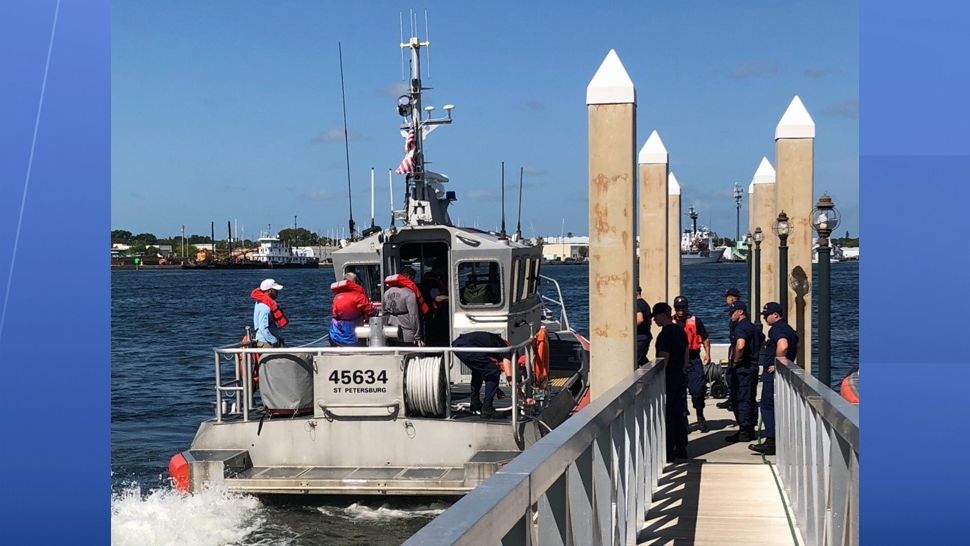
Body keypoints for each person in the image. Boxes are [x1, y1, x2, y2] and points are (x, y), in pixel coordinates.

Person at [749, 302, 798, 455]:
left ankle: (771, 441)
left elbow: (783, 346)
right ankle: (777, 439)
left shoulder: (777, 329)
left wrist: (778, 363)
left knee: (767, 405)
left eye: (766, 315)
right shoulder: (788, 329)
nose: (764, 319)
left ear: (775, 315)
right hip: (781, 375)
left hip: (774, 376)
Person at [652, 302, 690, 460]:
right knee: (679, 413)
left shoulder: (665, 334)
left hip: (668, 378)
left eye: (655, 317)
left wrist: (657, 378)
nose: (654, 320)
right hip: (680, 375)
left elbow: (663, 358)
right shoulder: (680, 330)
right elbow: (686, 352)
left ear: (662, 315)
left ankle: (668, 450)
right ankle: (682, 448)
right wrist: (683, 368)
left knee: (667, 415)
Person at [672, 296, 711, 432]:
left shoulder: (696, 321)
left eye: (683, 308)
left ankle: (700, 414)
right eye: (678, 308)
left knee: (698, 389)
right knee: (680, 393)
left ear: (687, 308)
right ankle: (684, 420)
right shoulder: (670, 323)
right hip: (677, 361)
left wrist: (708, 353)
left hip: (694, 359)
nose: (680, 311)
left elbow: (705, 338)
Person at [452, 331, 513, 419]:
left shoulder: (493, 343)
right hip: (467, 346)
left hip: (458, 345)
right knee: (494, 371)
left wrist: (496, 389)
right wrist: (522, 395)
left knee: (478, 371)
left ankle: (475, 403)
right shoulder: (506, 349)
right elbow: (508, 373)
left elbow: (485, 371)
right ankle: (487, 410)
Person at [725, 301, 761, 442]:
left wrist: (736, 361)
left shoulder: (740, 328)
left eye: (732, 313)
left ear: (740, 312)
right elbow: (761, 340)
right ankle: (749, 429)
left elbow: (740, 346)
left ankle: (744, 431)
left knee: (741, 399)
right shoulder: (752, 327)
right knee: (749, 398)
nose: (730, 316)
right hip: (751, 368)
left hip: (742, 369)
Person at [716, 287, 743, 410]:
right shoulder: (734, 312)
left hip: (736, 347)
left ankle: (734, 400)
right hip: (733, 347)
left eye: (727, 297)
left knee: (733, 376)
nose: (726, 300)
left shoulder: (738, 312)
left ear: (731, 298)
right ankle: (732, 398)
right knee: (730, 375)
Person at [328, 272, 373, 346]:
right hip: (354, 335)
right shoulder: (359, 296)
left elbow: (334, 313)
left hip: (335, 335)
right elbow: (371, 311)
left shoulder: (337, 297)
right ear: (355, 282)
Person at [383, 266, 424, 346]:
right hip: (407, 335)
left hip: (391, 333)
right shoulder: (409, 293)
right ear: (409, 277)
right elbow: (413, 316)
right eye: (414, 278)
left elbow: (384, 314)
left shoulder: (387, 293)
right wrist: (417, 337)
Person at [420, 258, 450, 346]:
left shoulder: (434, 278)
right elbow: (437, 298)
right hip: (433, 314)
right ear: (440, 268)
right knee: (435, 336)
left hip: (433, 313)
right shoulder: (431, 281)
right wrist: (451, 298)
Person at [252, 278, 287, 348]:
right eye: (276, 291)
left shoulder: (261, 301)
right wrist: (274, 341)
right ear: (269, 291)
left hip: (269, 340)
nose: (277, 292)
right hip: (266, 343)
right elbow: (263, 328)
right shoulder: (265, 307)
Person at [635, 286, 652, 369]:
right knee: (641, 358)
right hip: (646, 335)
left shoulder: (637, 304)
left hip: (640, 337)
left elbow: (640, 319)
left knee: (636, 359)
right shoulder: (645, 304)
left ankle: (651, 375)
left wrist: (631, 330)